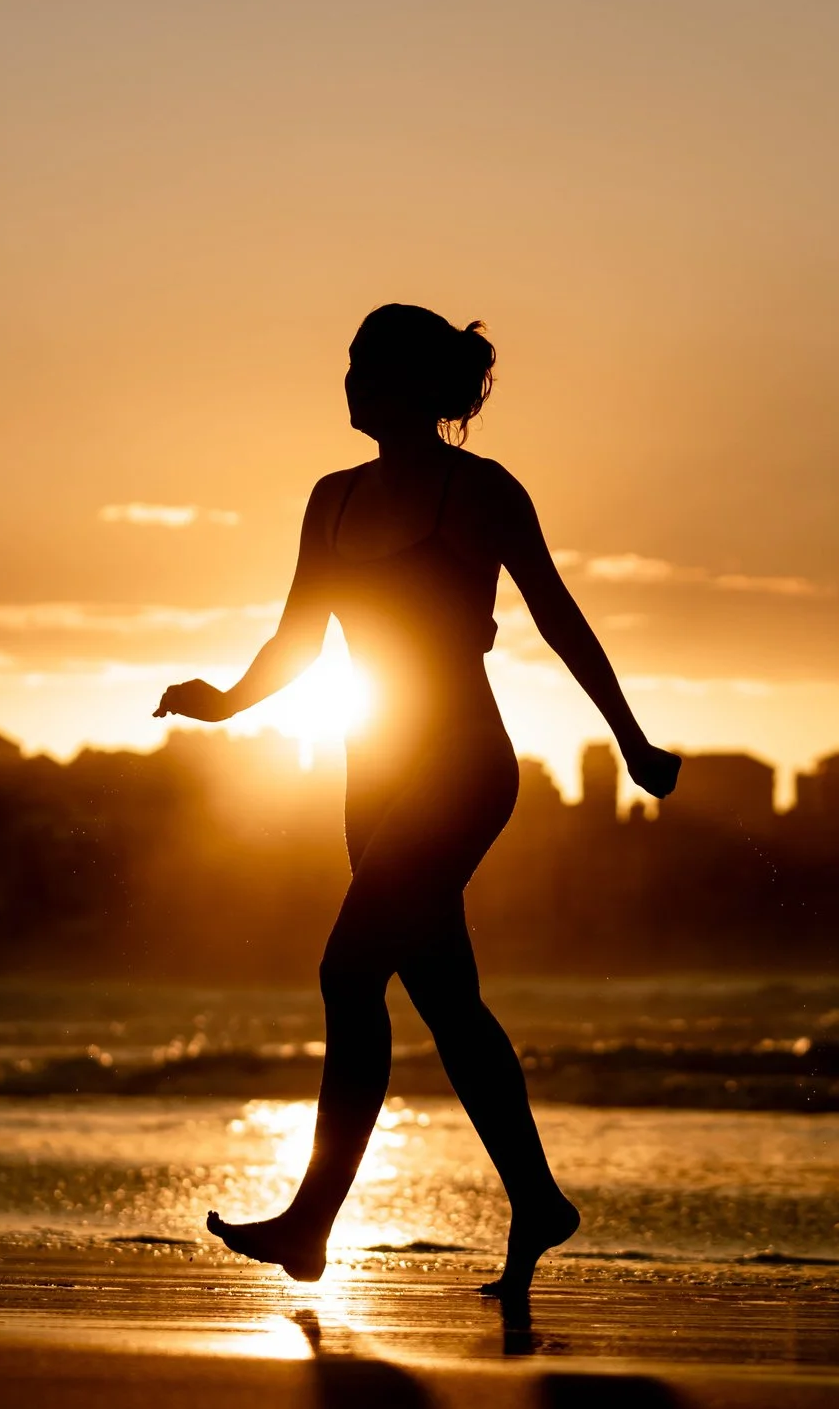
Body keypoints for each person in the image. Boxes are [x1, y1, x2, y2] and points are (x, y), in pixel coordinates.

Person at [157, 304, 680, 1297]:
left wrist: (631, 739)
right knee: (447, 1000)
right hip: (374, 772)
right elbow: (298, 640)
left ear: (413, 383)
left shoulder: (479, 492)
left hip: (461, 766)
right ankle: (537, 1199)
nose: (349, 380)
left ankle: (311, 1219)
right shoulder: (331, 497)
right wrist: (224, 702)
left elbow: (560, 617)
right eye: (347, 363)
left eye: (366, 365)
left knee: (347, 971)